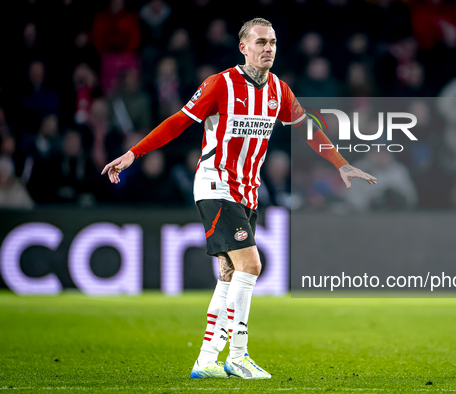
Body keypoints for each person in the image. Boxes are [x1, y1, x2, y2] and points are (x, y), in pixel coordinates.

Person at [101, 18, 376, 380]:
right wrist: (133, 154)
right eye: (261, 42)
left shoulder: (279, 90)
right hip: (215, 184)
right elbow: (177, 123)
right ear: (243, 47)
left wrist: (341, 164)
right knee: (251, 266)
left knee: (230, 275)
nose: (268, 48)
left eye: (273, 42)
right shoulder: (220, 84)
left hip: (247, 191)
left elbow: (307, 128)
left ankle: (206, 359)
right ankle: (240, 355)